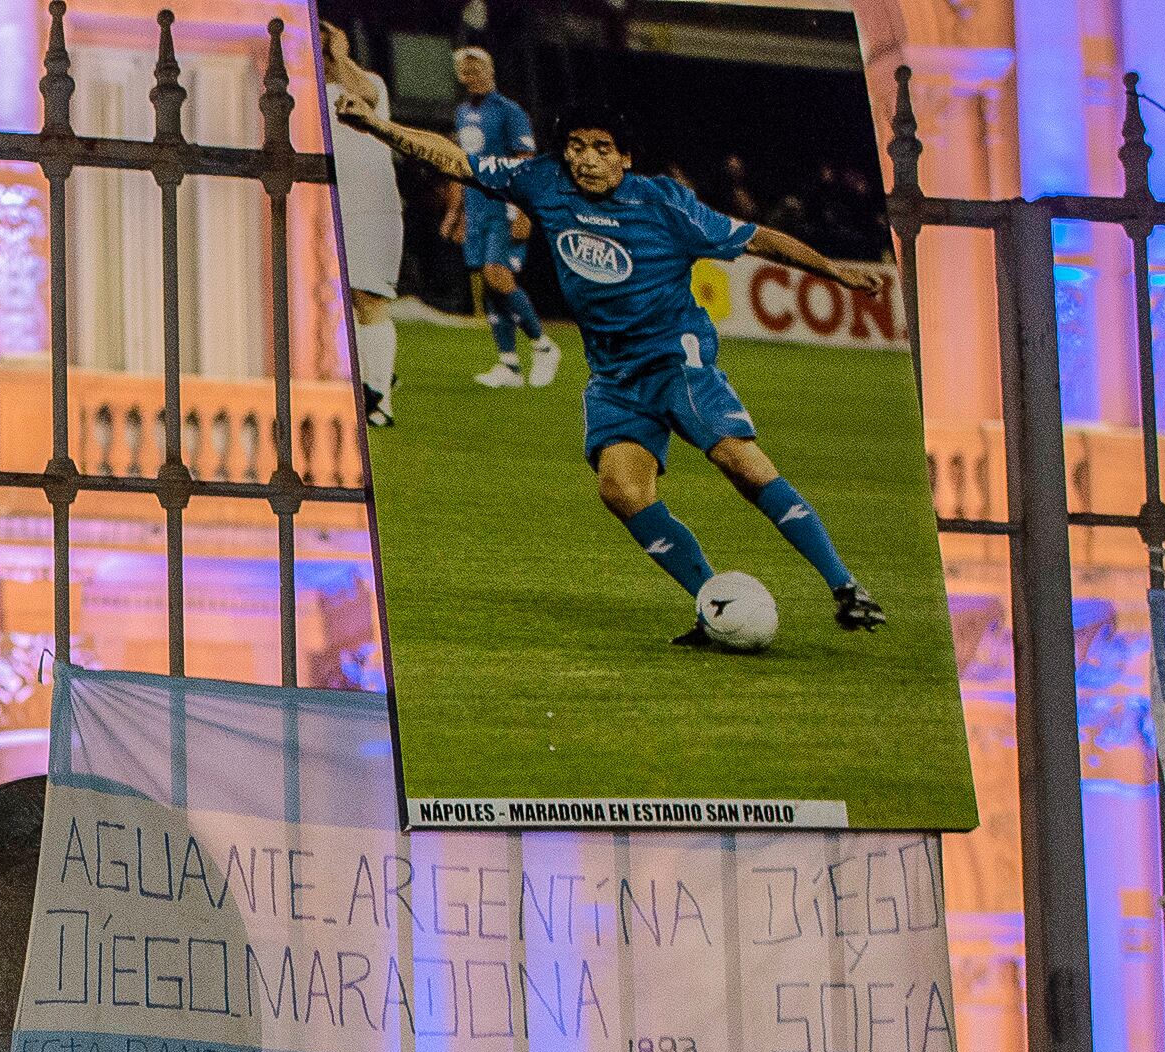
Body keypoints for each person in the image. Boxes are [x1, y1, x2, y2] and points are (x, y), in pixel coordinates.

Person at [333, 91, 893, 647]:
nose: (587, 159)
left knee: (738, 461)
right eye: (577, 146)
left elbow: (755, 237)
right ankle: (713, 604)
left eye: (602, 148)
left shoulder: (663, 202)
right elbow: (453, 158)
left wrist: (832, 272)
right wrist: (378, 126)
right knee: (622, 489)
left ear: (624, 158)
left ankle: (845, 586)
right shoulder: (542, 181)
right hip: (614, 377)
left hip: (677, 360)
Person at [442, 48, 559, 389]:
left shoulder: (509, 111)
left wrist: (524, 211)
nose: (470, 75)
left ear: (490, 70)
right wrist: (456, 210)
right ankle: (509, 365)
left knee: (498, 274)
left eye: (476, 68)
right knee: (491, 287)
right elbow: (460, 164)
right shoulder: (462, 113)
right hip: (476, 207)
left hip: (503, 207)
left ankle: (544, 344)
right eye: (464, 70)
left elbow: (526, 162)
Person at [318, 22, 406, 427]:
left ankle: (379, 399)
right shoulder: (301, 90)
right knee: (330, 300)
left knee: (369, 299)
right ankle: (354, 385)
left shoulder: (367, 82)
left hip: (372, 206)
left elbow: (366, 98)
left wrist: (339, 55)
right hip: (323, 205)